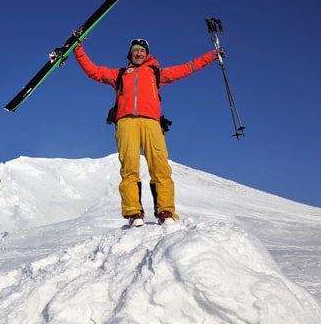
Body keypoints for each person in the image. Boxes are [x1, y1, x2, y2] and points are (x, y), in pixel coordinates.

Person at [73, 38, 221, 227]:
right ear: (130, 53)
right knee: (129, 168)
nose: (139, 53)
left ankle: (165, 212)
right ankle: (133, 213)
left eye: (142, 51)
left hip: (152, 123)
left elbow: (187, 68)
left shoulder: (156, 73)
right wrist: (78, 49)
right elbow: (92, 71)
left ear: (147, 54)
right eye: (135, 50)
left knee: (160, 166)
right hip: (126, 123)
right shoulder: (119, 75)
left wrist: (212, 55)